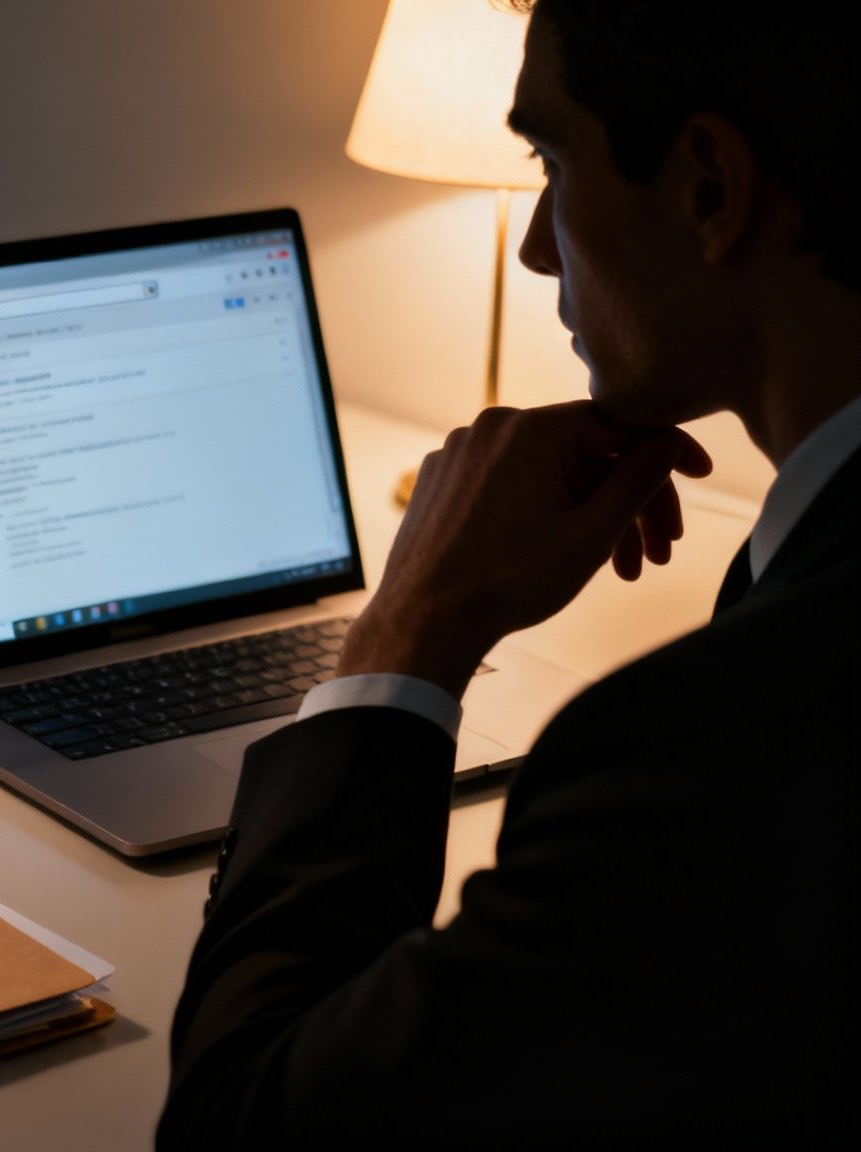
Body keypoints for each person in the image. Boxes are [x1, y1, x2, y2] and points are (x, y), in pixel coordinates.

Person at [160, 1, 858, 1144]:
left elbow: (241, 1121)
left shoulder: (693, 757)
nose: (535, 244)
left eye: (546, 158)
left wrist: (404, 638)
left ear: (706, 189)